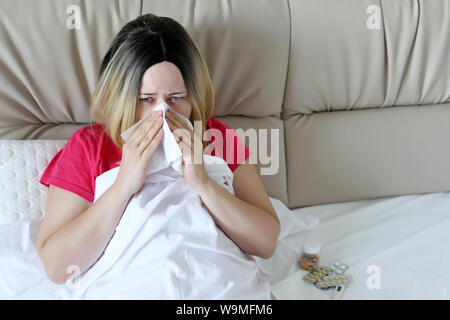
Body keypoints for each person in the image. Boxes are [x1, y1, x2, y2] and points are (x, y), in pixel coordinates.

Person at [37, 13, 280, 285]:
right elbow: (57, 266)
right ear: (121, 97)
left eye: (176, 98)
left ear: (194, 95)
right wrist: (122, 187)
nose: (162, 113)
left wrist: (203, 183)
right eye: (146, 99)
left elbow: (266, 243)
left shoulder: (217, 137)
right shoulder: (90, 146)